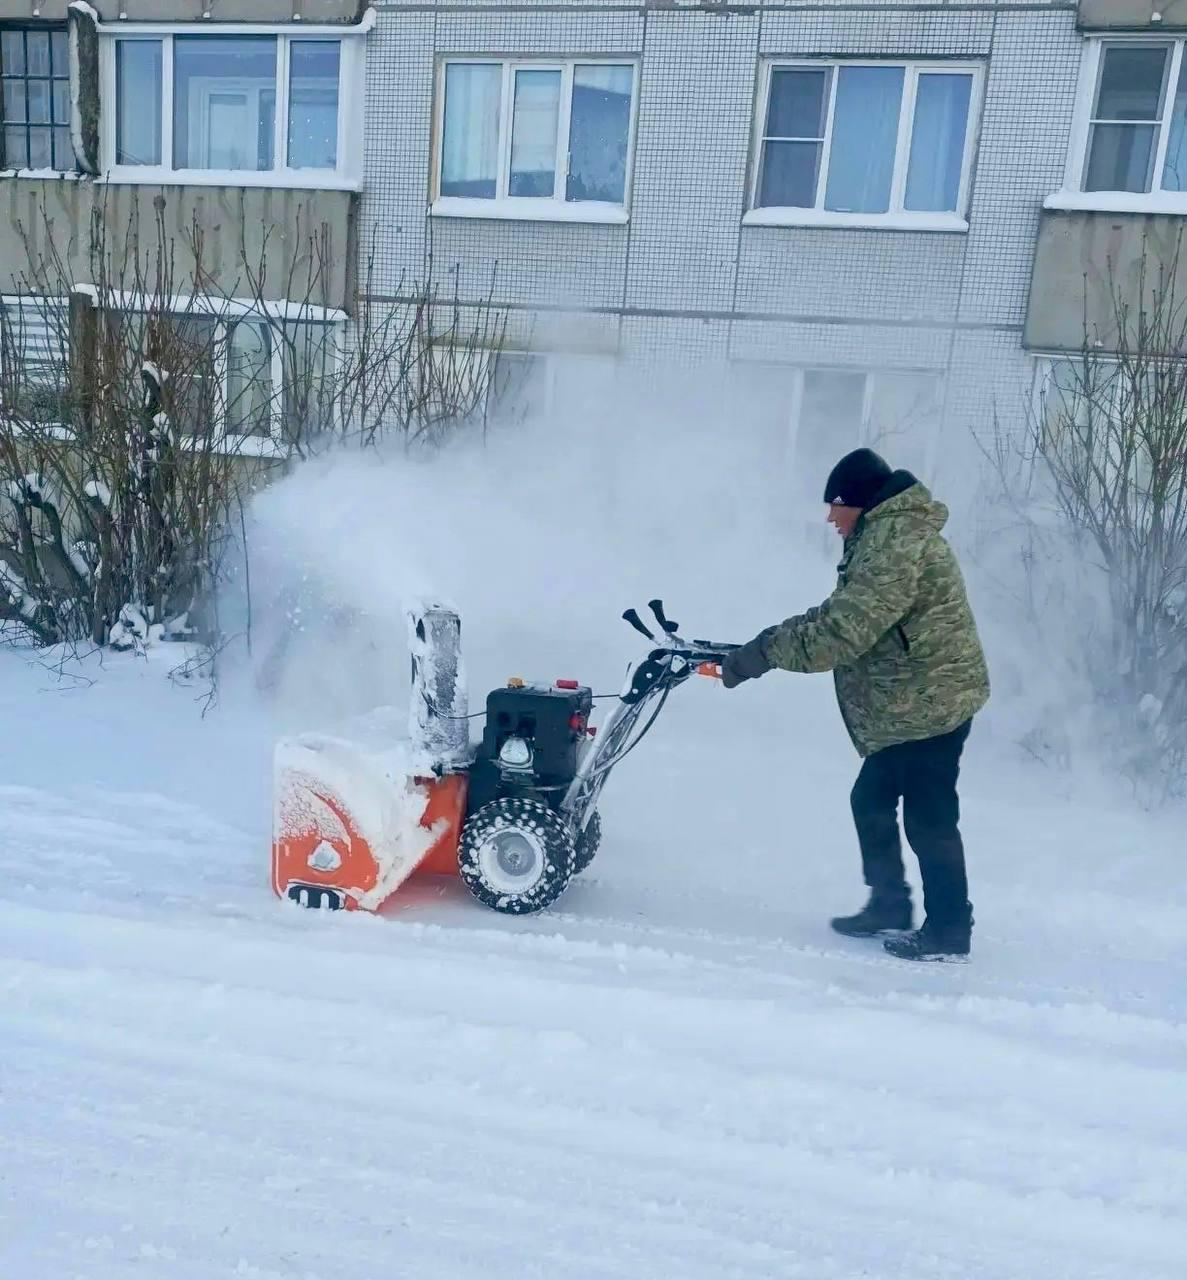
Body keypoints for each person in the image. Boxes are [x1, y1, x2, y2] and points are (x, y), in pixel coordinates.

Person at [721, 448, 990, 961]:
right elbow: (837, 612)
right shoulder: (881, 536)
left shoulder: (894, 545)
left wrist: (765, 655)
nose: (830, 517)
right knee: (870, 798)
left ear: (862, 503)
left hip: (931, 703)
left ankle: (950, 928)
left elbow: (842, 634)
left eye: (836, 505)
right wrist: (769, 639)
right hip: (911, 703)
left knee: (929, 817)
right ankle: (890, 903)